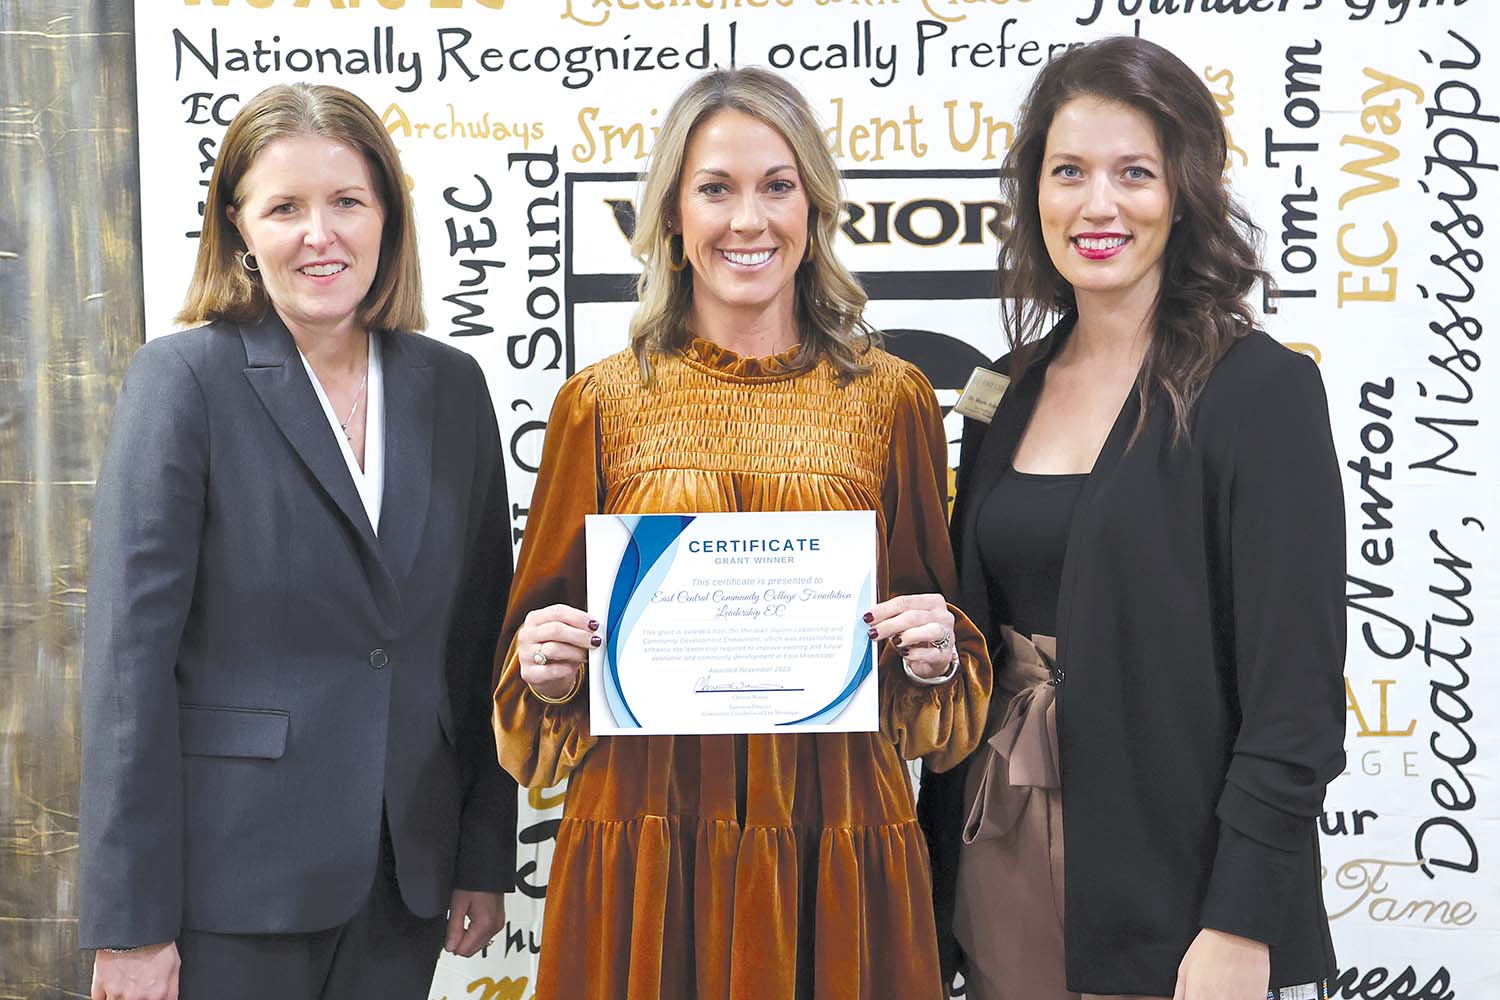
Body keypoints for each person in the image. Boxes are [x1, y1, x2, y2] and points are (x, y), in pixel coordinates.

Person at [491, 67, 991, 998]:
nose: (748, 220)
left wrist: (933, 657)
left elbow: (934, 671)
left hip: (835, 831)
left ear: (815, 206)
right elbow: (532, 681)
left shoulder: (894, 399)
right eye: (715, 189)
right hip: (646, 840)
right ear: (673, 216)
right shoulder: (598, 404)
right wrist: (547, 671)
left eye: (777, 186)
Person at [916, 36, 1346, 1000]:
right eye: (1068, 171)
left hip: (1179, 887)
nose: (1097, 204)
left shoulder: (1260, 391)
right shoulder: (1003, 390)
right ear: (1034, 191)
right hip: (992, 855)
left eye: (1134, 173)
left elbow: (1297, 700)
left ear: (1184, 192)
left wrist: (1241, 921)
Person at [80, 83, 516, 1000]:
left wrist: (482, 853)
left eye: (348, 201)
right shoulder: (182, 381)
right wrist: (130, 922)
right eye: (285, 208)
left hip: (406, 880)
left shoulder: (452, 387)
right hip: (228, 887)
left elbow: (479, 640)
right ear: (238, 229)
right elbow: (128, 672)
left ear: (387, 218)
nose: (322, 235)